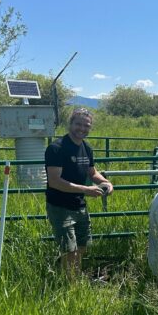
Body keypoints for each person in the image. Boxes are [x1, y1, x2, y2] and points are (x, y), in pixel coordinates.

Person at [44, 108, 113, 275]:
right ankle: (72, 286)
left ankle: (65, 274)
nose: (82, 128)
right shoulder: (56, 148)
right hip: (61, 206)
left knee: (82, 247)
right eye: (78, 124)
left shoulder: (86, 148)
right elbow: (54, 181)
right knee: (70, 251)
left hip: (80, 206)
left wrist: (105, 182)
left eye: (86, 125)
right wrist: (86, 190)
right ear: (70, 124)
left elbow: (92, 172)